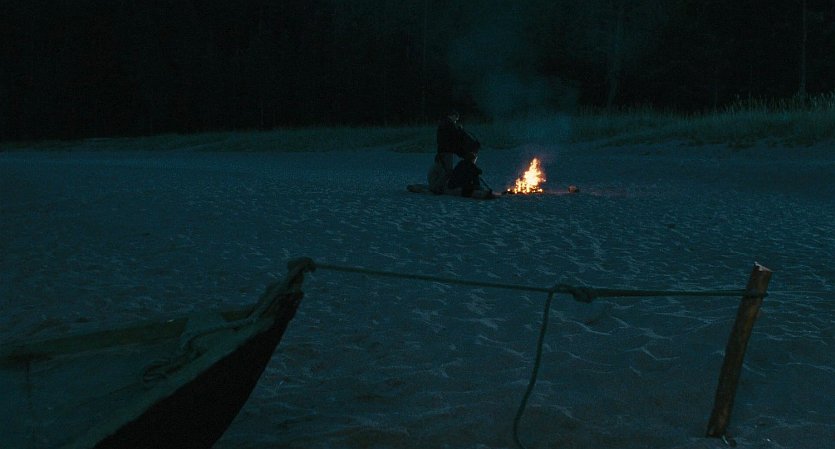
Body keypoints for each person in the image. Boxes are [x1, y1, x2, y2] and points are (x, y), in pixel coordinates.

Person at [427, 111, 480, 194]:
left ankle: (438, 186)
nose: (456, 120)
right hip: (447, 151)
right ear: (453, 116)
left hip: (443, 150)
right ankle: (437, 188)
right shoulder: (449, 125)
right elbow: (454, 139)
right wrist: (460, 130)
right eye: (456, 118)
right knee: (447, 171)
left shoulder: (444, 124)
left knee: (443, 169)